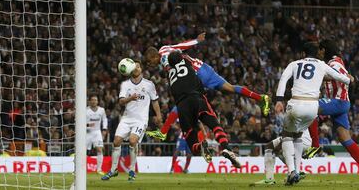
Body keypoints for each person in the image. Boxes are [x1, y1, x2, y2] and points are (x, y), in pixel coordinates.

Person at [145, 33, 270, 140]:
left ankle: (163, 132)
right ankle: (260, 98)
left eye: (150, 62)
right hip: (203, 67)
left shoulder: (163, 59)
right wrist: (197, 40)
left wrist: (168, 75)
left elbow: (170, 67)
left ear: (153, 56)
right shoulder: (165, 48)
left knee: (182, 103)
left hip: (194, 75)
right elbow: (181, 46)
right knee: (230, 88)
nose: (150, 65)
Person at [274, 42, 351, 185]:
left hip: (296, 103)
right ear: (316, 53)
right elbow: (340, 77)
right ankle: (297, 170)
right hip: (312, 107)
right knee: (297, 135)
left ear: (303, 54)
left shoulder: (294, 64)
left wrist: (279, 100)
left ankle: (292, 171)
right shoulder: (322, 65)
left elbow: (283, 79)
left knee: (287, 135)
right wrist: (349, 79)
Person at [165, 50, 241, 168]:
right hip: (197, 98)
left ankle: (200, 147)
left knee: (193, 146)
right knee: (215, 125)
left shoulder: (169, 74)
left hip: (182, 107)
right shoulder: (186, 61)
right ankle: (226, 148)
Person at [101, 60, 162, 181]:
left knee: (133, 141)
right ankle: (113, 170)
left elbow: (155, 101)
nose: (136, 68)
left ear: (141, 70)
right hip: (127, 118)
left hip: (141, 120)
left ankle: (132, 170)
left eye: (138, 66)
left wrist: (159, 115)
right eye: (134, 66)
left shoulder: (149, 84)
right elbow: (121, 101)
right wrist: (131, 98)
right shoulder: (125, 84)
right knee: (116, 141)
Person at [304, 39, 359, 163]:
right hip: (341, 103)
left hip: (338, 101)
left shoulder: (334, 63)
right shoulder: (335, 62)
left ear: (324, 50)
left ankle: (315, 144)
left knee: (309, 107)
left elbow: (340, 75)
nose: (318, 53)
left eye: (320, 50)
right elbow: (346, 76)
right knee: (344, 138)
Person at [86, 94, 108, 175]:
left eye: (95, 100)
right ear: (89, 101)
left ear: (97, 101)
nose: (94, 101)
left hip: (97, 132)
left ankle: (99, 169)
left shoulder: (101, 110)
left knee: (99, 149)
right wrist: (87, 125)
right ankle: (78, 169)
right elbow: (80, 122)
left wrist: (104, 129)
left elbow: (105, 119)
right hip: (87, 133)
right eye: (92, 100)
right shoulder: (85, 110)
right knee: (82, 151)